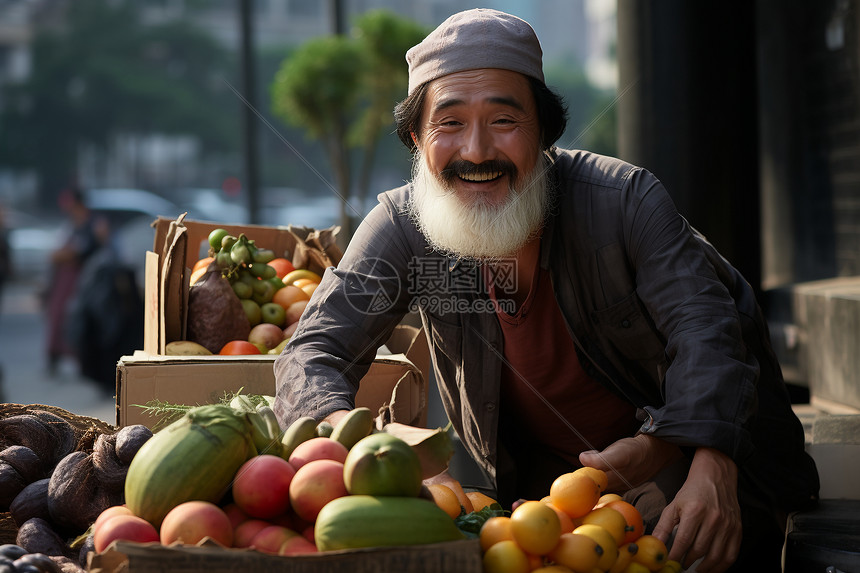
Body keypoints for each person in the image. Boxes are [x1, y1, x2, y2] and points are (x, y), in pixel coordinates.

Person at [273, 9, 818, 572]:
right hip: (548, 507)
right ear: (417, 138)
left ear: (543, 132)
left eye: (504, 120)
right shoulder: (403, 226)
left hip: (704, 475)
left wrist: (707, 464)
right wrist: (359, 442)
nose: (478, 151)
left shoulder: (624, 202)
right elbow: (313, 350)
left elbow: (707, 330)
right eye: (450, 123)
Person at [44, 187, 106, 375]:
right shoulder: (71, 226)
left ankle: (82, 359)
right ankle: (55, 357)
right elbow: (57, 254)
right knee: (58, 316)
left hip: (87, 279)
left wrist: (67, 255)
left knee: (80, 319)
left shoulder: (95, 224)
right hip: (66, 279)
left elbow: (89, 250)